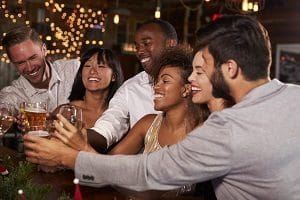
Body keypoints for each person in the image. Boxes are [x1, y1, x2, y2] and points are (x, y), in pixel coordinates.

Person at [24, 15, 300, 199]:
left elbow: (148, 173)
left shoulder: (227, 128)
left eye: (202, 69)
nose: (193, 78)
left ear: (230, 68)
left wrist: (69, 157)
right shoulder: (294, 96)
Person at [86, 19, 178, 152]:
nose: (140, 51)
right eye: (137, 46)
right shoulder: (131, 88)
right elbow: (109, 125)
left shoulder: (196, 83)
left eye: (146, 43)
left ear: (170, 44)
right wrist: (78, 135)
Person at [0, 26, 80, 112]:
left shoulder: (73, 69)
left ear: (44, 50)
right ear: (13, 63)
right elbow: (5, 108)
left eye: (33, 58)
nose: (29, 68)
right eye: (20, 63)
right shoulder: (13, 93)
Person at [53, 47, 124, 129]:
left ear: (113, 76)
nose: (92, 71)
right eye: (87, 65)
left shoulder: (119, 114)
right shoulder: (66, 112)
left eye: (100, 66)